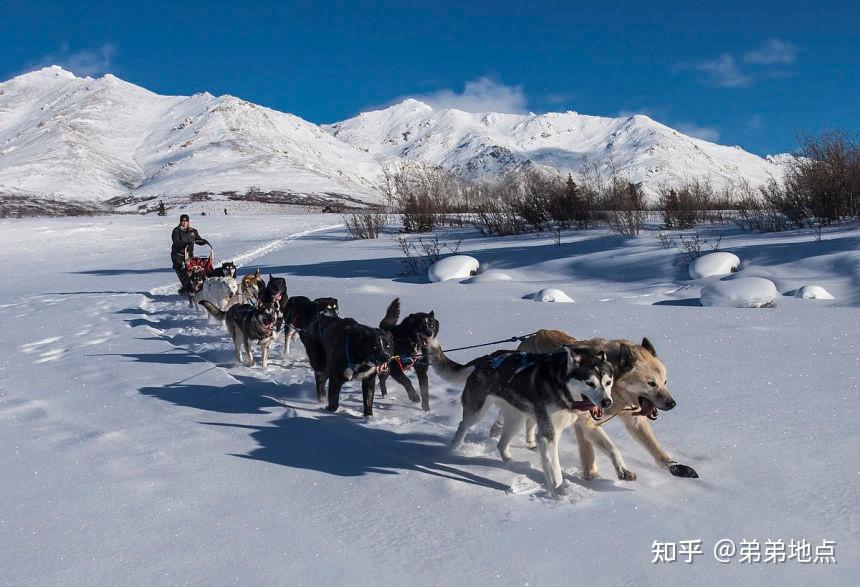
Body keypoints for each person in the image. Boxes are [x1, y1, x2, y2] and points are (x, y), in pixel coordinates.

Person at [171, 214, 209, 292]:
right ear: (180, 221)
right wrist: (185, 243)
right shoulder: (176, 231)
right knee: (181, 270)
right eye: (183, 221)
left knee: (191, 270)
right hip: (178, 254)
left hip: (189, 254)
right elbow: (176, 242)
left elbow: (198, 239)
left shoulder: (193, 231)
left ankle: (194, 285)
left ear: (188, 222)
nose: (184, 223)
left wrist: (203, 241)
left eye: (186, 221)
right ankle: (184, 286)